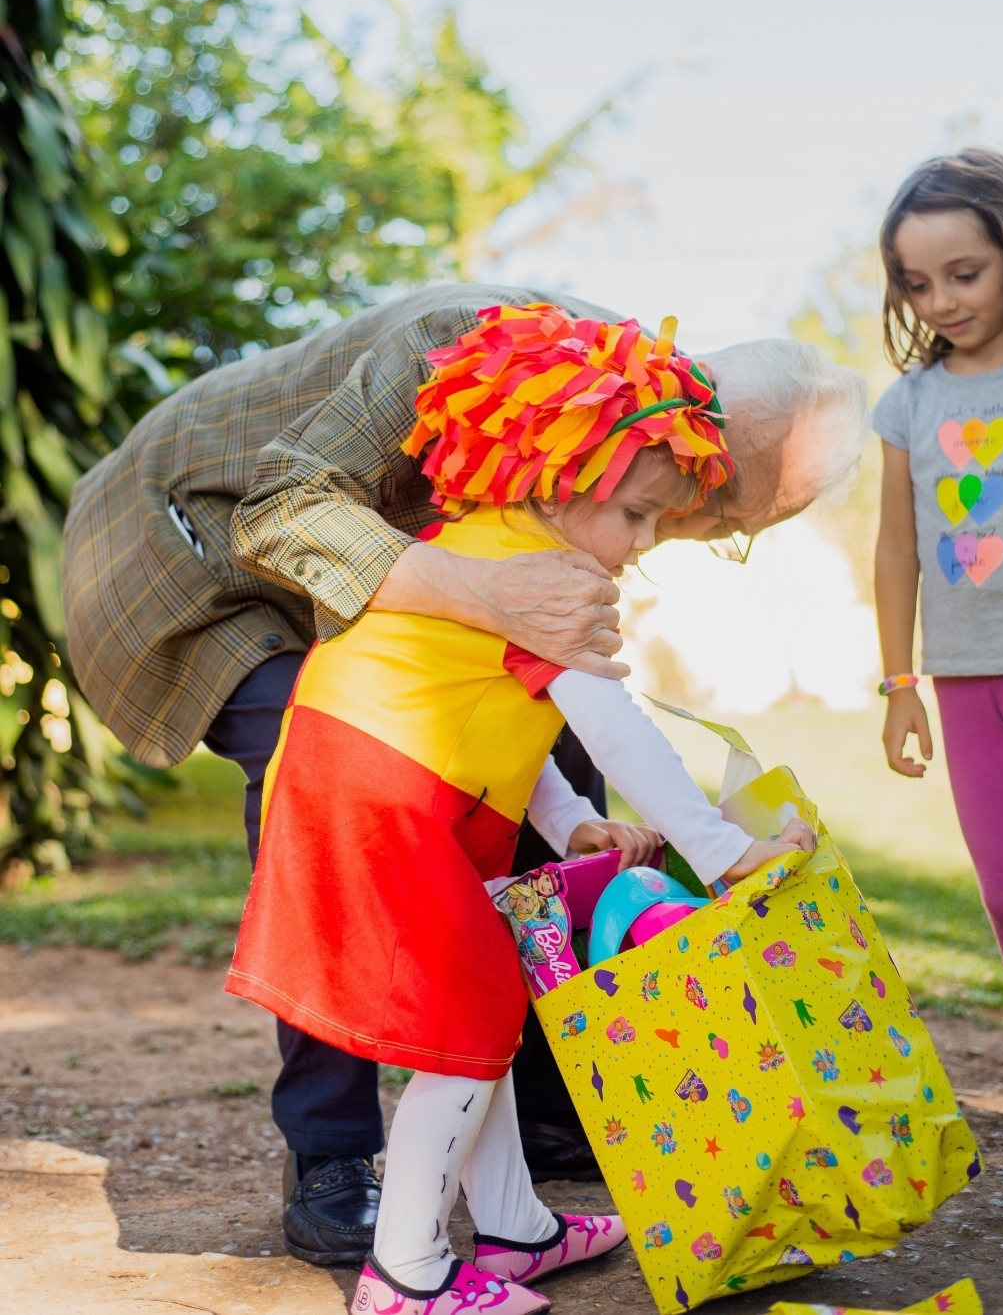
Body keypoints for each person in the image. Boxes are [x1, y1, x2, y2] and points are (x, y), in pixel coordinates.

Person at [62, 280, 866, 1266]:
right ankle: (334, 1153)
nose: (685, 532)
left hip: (374, 575)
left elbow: (544, 702)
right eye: (703, 503)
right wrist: (490, 597)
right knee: (320, 762)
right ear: (691, 424)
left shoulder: (619, 453)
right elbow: (279, 511)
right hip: (188, 546)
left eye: (728, 527)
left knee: (537, 743)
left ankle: (547, 1093)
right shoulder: (472, 349)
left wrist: (567, 793)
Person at [225, 303, 816, 1315]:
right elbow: (616, 727)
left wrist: (564, 822)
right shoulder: (540, 574)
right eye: (634, 512)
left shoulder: (488, 542)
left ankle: (515, 1229)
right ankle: (404, 1275)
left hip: (379, 786)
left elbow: (486, 706)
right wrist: (719, 850)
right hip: (384, 803)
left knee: (481, 1013)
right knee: (463, 1030)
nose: (640, 542)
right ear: (556, 474)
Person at [871, 148, 1003, 1197]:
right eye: (917, 281)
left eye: (964, 271)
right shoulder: (906, 404)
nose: (941, 299)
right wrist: (898, 687)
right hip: (962, 681)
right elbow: (898, 550)